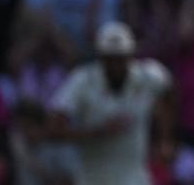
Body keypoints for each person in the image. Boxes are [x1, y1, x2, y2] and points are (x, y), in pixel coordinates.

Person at [48, 21, 175, 185]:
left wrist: (165, 139)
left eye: (120, 58)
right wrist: (98, 132)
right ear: (101, 57)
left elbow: (169, 91)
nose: (115, 66)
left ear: (130, 55)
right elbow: (52, 129)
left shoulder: (147, 76)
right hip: (93, 177)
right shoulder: (82, 81)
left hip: (134, 177)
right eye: (110, 59)